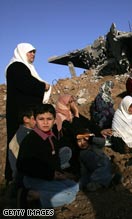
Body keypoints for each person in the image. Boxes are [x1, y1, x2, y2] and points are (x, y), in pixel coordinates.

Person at [16, 104, 79, 208]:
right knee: (70, 196)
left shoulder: (51, 137)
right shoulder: (30, 141)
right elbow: (22, 166)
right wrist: (52, 175)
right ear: (35, 120)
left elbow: (53, 160)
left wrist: (61, 174)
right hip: (34, 178)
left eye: (49, 119)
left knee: (75, 187)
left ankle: (42, 196)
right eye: (41, 119)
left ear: (54, 120)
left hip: (50, 176)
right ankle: (30, 196)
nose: (45, 122)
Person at [5, 43, 51, 182]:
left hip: (27, 113)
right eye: (30, 52)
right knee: (19, 146)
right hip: (21, 116)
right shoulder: (16, 66)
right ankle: (16, 179)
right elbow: (27, 85)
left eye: (34, 52)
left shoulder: (26, 67)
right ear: (22, 52)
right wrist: (44, 85)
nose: (33, 55)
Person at [54, 94, 112, 174]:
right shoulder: (60, 119)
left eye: (72, 101)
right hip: (75, 150)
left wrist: (100, 131)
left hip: (85, 143)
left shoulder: (71, 114)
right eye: (70, 102)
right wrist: (77, 113)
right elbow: (76, 132)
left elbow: (88, 123)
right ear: (63, 104)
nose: (72, 104)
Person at [8, 106, 36, 188]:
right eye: (34, 118)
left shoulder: (27, 133)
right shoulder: (25, 136)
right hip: (25, 178)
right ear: (26, 120)